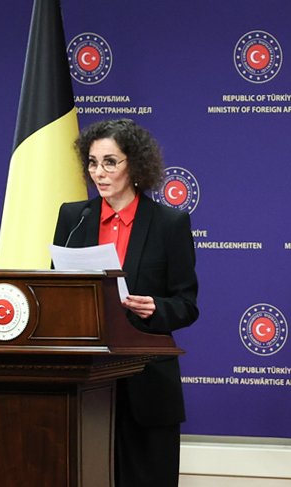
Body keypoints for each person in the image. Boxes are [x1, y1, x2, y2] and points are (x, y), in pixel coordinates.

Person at [53, 118, 199, 486]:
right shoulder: (74, 218)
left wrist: (156, 308)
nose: (98, 173)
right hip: (86, 382)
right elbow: (56, 290)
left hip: (147, 381)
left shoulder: (169, 223)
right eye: (92, 162)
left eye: (110, 162)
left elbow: (186, 303)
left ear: (134, 164)